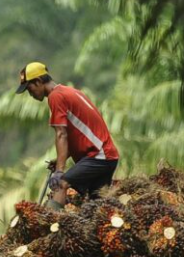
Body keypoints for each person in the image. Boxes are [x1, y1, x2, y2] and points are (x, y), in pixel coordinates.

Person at [16, 61, 119, 209]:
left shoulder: (55, 97)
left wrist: (59, 171)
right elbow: (79, 135)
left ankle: (50, 221)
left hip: (99, 156)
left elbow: (61, 134)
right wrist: (60, 160)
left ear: (38, 81)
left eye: (29, 88)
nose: (30, 94)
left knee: (61, 184)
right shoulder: (68, 91)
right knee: (97, 207)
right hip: (107, 156)